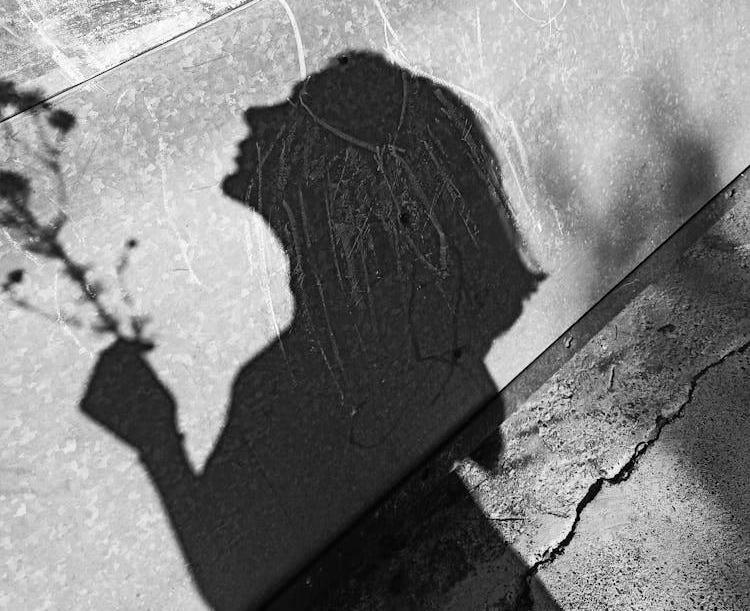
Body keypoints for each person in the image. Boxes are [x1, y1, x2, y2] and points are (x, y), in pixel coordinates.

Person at [81, 50, 545, 611]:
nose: (256, 115)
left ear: (339, 186)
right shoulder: (417, 360)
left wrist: (155, 438)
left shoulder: (298, 385)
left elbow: (236, 584)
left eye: (298, 110)